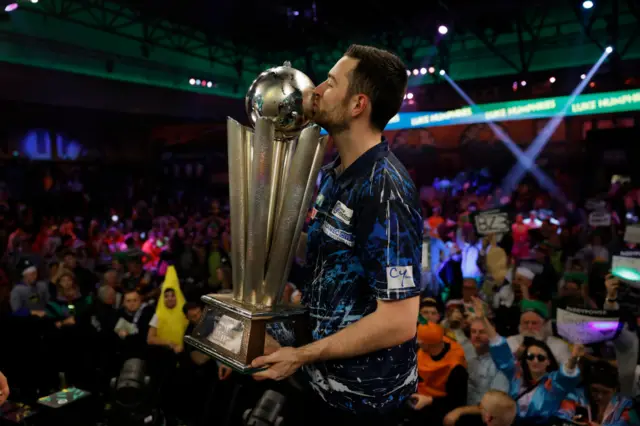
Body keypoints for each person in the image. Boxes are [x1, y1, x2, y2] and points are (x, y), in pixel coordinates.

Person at [251, 45, 422, 424]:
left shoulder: (385, 191)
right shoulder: (333, 172)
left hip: (366, 402)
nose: (315, 91)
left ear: (358, 104)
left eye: (330, 83)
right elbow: (328, 264)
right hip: (322, 384)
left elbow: (398, 321)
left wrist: (301, 354)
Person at [473, 297, 583, 424]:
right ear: (525, 360)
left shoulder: (553, 382)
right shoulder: (516, 376)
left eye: (540, 357)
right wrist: (482, 319)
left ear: (548, 361)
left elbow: (566, 375)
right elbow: (500, 349)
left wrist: (574, 357)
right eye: (531, 357)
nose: (535, 360)